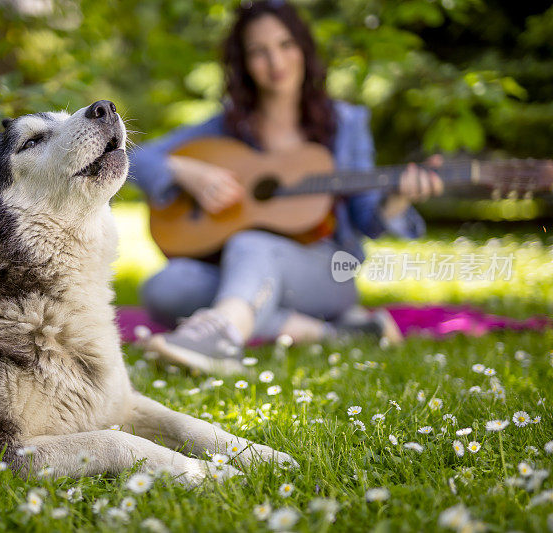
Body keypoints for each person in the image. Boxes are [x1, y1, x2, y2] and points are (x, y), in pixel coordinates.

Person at [129, 0, 443, 373]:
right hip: (245, 269)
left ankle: (222, 335)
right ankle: (326, 334)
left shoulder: (347, 122)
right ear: (243, 64)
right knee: (164, 287)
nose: (275, 62)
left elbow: (367, 221)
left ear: (303, 50)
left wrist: (399, 197)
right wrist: (186, 173)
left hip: (328, 270)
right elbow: (133, 156)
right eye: (258, 52)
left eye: (285, 45)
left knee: (250, 243)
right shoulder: (227, 126)